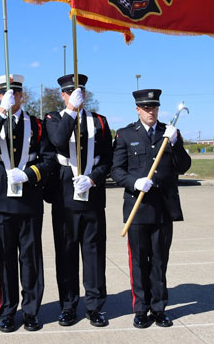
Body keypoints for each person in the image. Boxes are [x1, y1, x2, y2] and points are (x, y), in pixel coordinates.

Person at [0, 74, 56, 333]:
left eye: (15, 93)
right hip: (0, 201)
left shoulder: (37, 124)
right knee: (5, 260)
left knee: (30, 260)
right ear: (0, 96)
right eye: (4, 93)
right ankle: (8, 311)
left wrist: (30, 173)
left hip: (29, 201)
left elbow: (49, 160)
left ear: (22, 96)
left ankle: (32, 311)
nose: (11, 97)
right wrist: (1, 112)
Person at [110, 89, 191, 329]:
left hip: (163, 209)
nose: (150, 111)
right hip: (138, 207)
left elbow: (184, 166)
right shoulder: (125, 134)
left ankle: (159, 309)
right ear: (137, 109)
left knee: (159, 261)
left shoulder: (170, 133)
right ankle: (141, 309)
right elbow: (116, 170)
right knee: (138, 262)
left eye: (154, 107)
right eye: (146, 108)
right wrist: (133, 182)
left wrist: (175, 144)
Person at [45, 73, 112, 327]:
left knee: (94, 255)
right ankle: (69, 306)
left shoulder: (100, 122)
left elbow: (108, 159)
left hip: (92, 197)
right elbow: (59, 142)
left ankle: (95, 307)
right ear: (62, 95)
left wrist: (93, 178)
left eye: (81, 91)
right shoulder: (53, 119)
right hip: (64, 198)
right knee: (66, 255)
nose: (77, 95)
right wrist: (71, 110)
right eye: (71, 92)